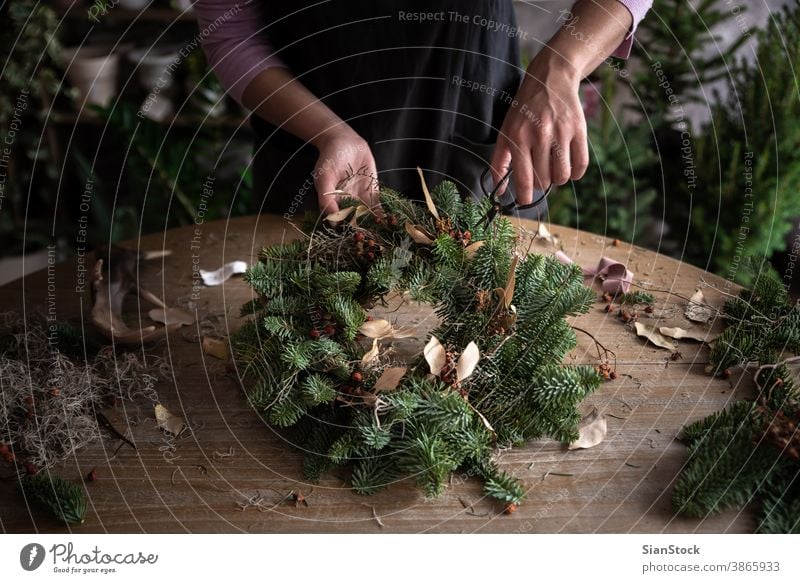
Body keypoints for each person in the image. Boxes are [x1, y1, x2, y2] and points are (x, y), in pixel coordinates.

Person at [194, 1, 652, 217]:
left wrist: (560, 66)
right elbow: (230, 32)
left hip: (473, 140)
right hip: (314, 160)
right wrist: (329, 133)